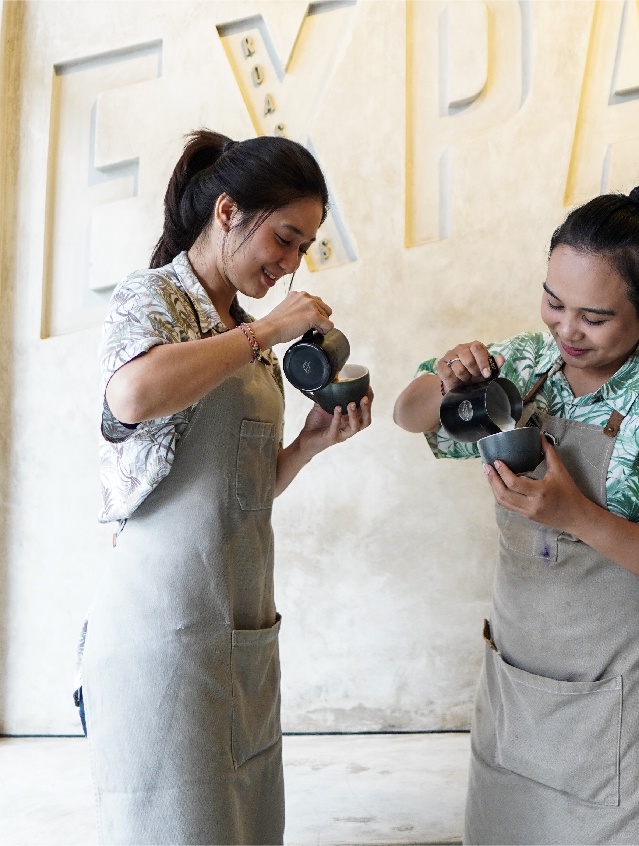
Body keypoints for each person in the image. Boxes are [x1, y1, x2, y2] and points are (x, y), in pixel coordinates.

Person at [393, 168, 639, 845]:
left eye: (595, 317)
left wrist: (574, 514)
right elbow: (409, 415)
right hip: (520, 689)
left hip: (629, 708)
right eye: (554, 303)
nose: (567, 330)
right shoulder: (526, 366)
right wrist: (448, 378)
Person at [78, 129, 373, 845]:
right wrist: (265, 332)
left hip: (240, 633)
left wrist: (309, 444)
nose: (291, 264)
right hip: (160, 634)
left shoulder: (246, 332)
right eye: (284, 239)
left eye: (303, 249)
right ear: (227, 212)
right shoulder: (155, 297)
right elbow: (131, 395)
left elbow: (243, 490)